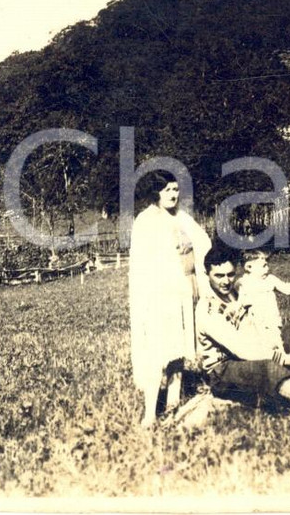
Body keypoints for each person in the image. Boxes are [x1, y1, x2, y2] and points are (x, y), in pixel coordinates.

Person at [128, 171, 212, 427]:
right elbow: (143, 262)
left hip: (183, 293)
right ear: (156, 193)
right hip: (158, 296)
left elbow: (203, 242)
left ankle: (173, 405)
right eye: (167, 190)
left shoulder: (181, 217)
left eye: (175, 189)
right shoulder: (146, 220)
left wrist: (192, 255)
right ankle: (150, 414)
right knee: (157, 352)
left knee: (178, 349)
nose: (173, 195)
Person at [196, 245, 290, 410]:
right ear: (207, 274)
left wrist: (273, 345)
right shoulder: (207, 309)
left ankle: (289, 383)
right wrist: (286, 359)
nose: (226, 281)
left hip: (254, 349)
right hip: (223, 369)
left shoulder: (235, 292)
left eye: (230, 274)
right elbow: (244, 350)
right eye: (219, 276)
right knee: (267, 367)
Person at [236, 248, 290, 350]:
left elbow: (287, 288)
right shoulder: (244, 282)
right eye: (264, 266)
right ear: (249, 267)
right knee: (257, 346)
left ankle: (283, 357)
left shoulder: (270, 279)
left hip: (272, 321)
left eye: (267, 265)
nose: (267, 269)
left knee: (276, 344)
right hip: (254, 323)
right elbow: (239, 303)